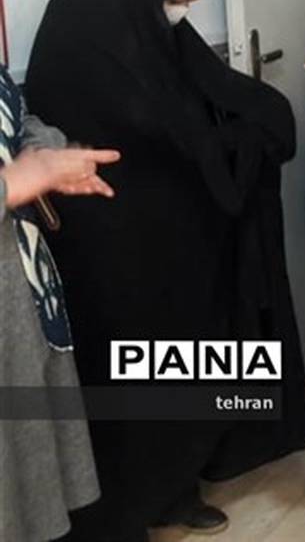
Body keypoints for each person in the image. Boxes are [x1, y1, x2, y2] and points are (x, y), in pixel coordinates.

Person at [23, 0, 305, 542]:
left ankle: (178, 487)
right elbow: (137, 122)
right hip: (107, 243)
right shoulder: (78, 20)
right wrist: (212, 148)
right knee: (128, 376)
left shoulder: (146, 13)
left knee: (183, 363)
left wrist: (251, 128)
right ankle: (130, 506)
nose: (182, 13)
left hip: (176, 234)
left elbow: (202, 91)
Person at [0, 63, 119, 542]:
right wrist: (16, 183)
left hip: (21, 299)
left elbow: (17, 117)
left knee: (28, 487)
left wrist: (48, 154)